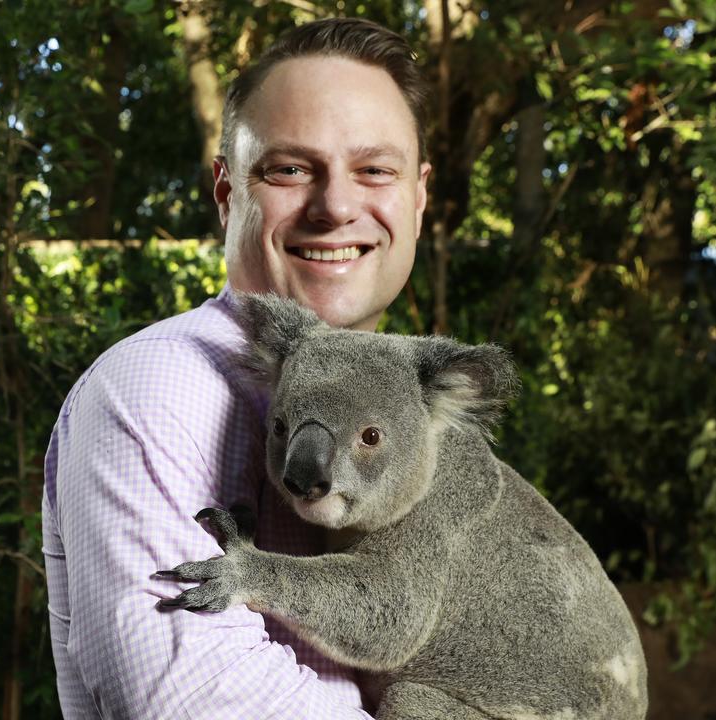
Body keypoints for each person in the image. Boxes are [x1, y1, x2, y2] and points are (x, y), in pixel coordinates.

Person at [42, 17, 432, 718]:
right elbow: (198, 703)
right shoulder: (161, 386)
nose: (337, 206)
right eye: (289, 169)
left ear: (419, 197)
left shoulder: (406, 409)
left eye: (375, 170)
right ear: (227, 193)